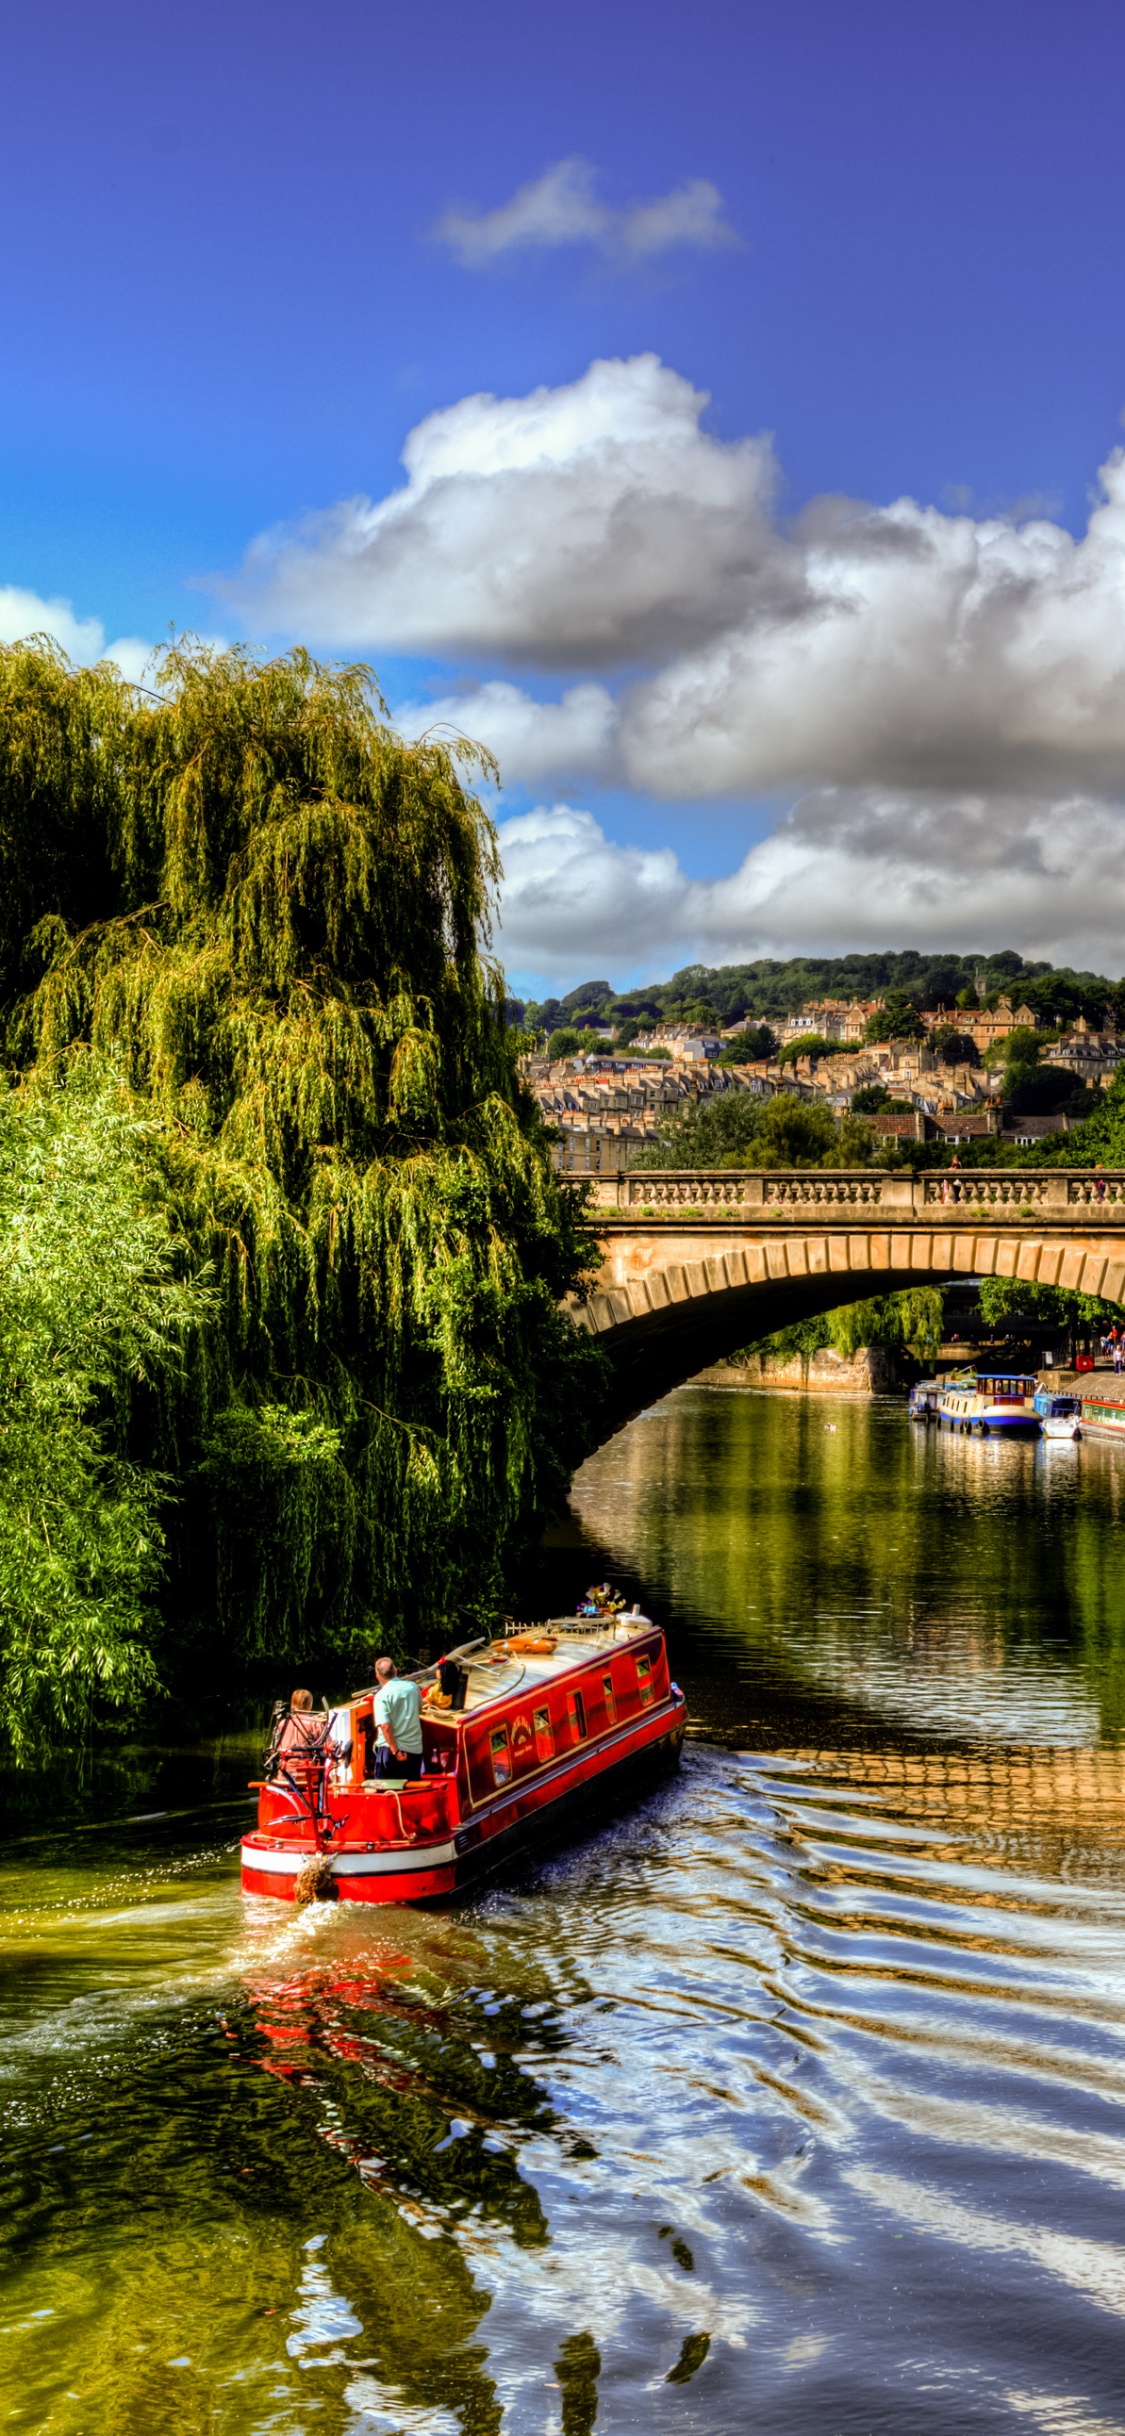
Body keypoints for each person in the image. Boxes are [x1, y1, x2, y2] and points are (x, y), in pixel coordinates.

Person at [372, 1657, 424, 1782]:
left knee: (386, 1790)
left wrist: (395, 1752)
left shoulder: (381, 1696)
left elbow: (385, 1726)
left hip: (391, 1752)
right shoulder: (413, 1687)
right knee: (412, 1790)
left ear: (378, 1677)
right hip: (414, 1750)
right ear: (396, 1671)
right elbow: (419, 1708)